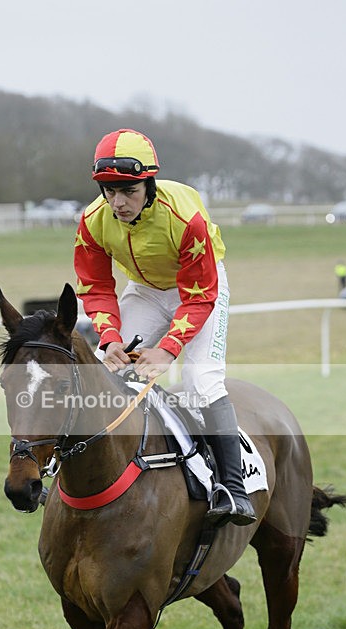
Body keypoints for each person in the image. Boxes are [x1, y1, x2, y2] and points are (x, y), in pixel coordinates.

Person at [74, 128, 256, 527]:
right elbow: (95, 286)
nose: (118, 203)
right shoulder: (92, 221)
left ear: (149, 182)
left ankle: (233, 488)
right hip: (146, 290)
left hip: (200, 286)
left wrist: (169, 349)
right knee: (112, 372)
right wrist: (110, 338)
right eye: (108, 191)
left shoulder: (184, 217)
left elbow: (199, 294)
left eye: (129, 191)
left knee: (200, 379)